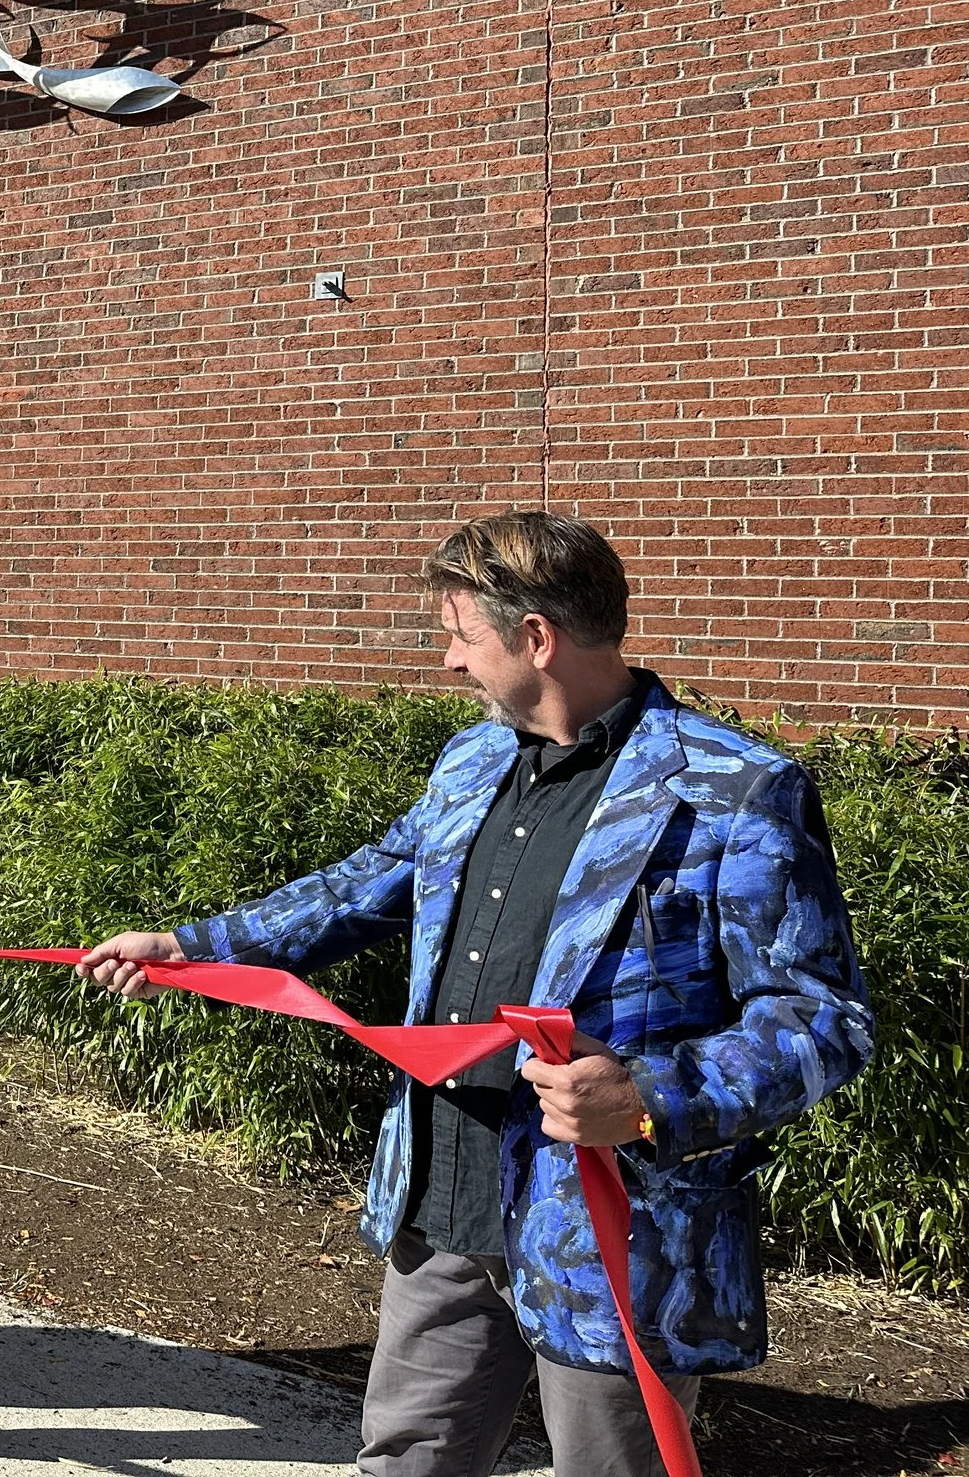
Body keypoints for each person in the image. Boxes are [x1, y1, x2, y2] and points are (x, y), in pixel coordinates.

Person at [81, 513, 874, 1477]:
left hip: (610, 1228)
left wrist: (652, 1095)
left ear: (536, 636)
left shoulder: (734, 790)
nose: (451, 662)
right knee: (405, 1460)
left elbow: (820, 1017)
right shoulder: (471, 761)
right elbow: (368, 884)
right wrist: (189, 944)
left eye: (462, 634)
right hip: (442, 1199)